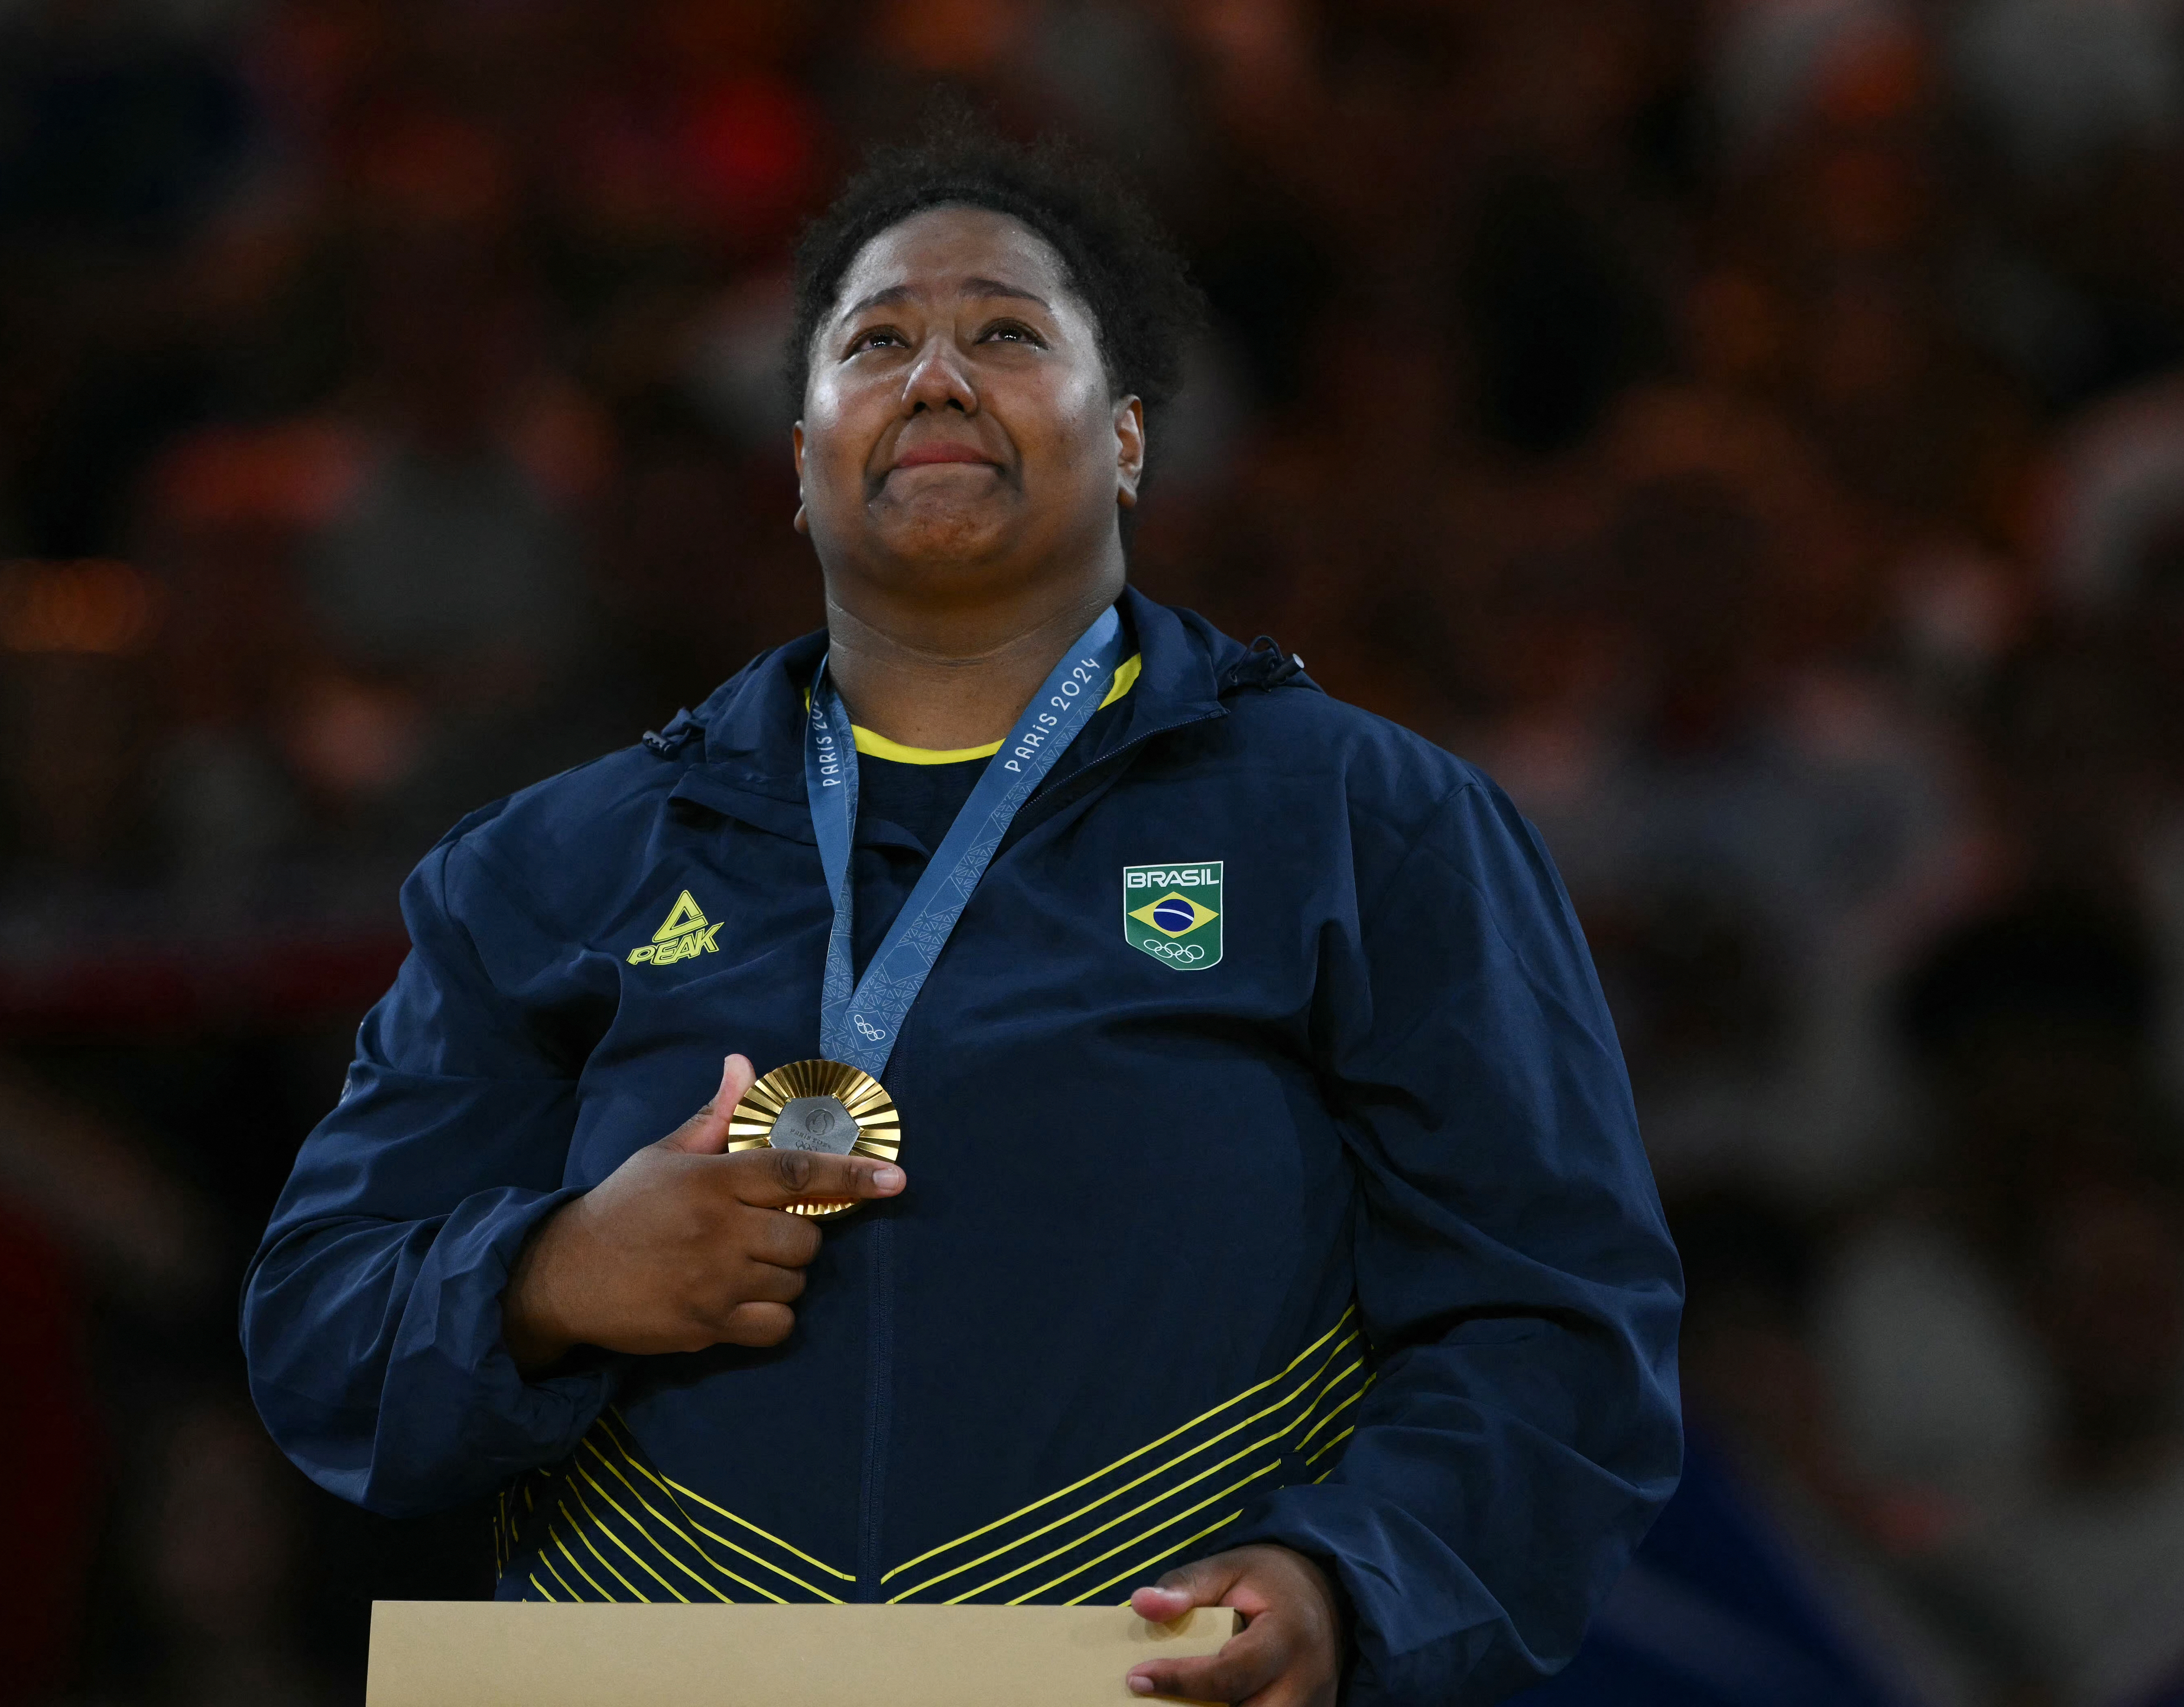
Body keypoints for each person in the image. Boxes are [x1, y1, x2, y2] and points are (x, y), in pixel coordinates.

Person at [241, 119, 1682, 1707]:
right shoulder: (552, 866)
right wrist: (548, 1275)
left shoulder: (1365, 825)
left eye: (1006, 332)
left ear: (1127, 436)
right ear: (798, 465)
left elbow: (1558, 1332)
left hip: (1146, 1684)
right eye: (875, 343)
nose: (936, 376)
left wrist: (1346, 1579)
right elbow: (320, 1333)